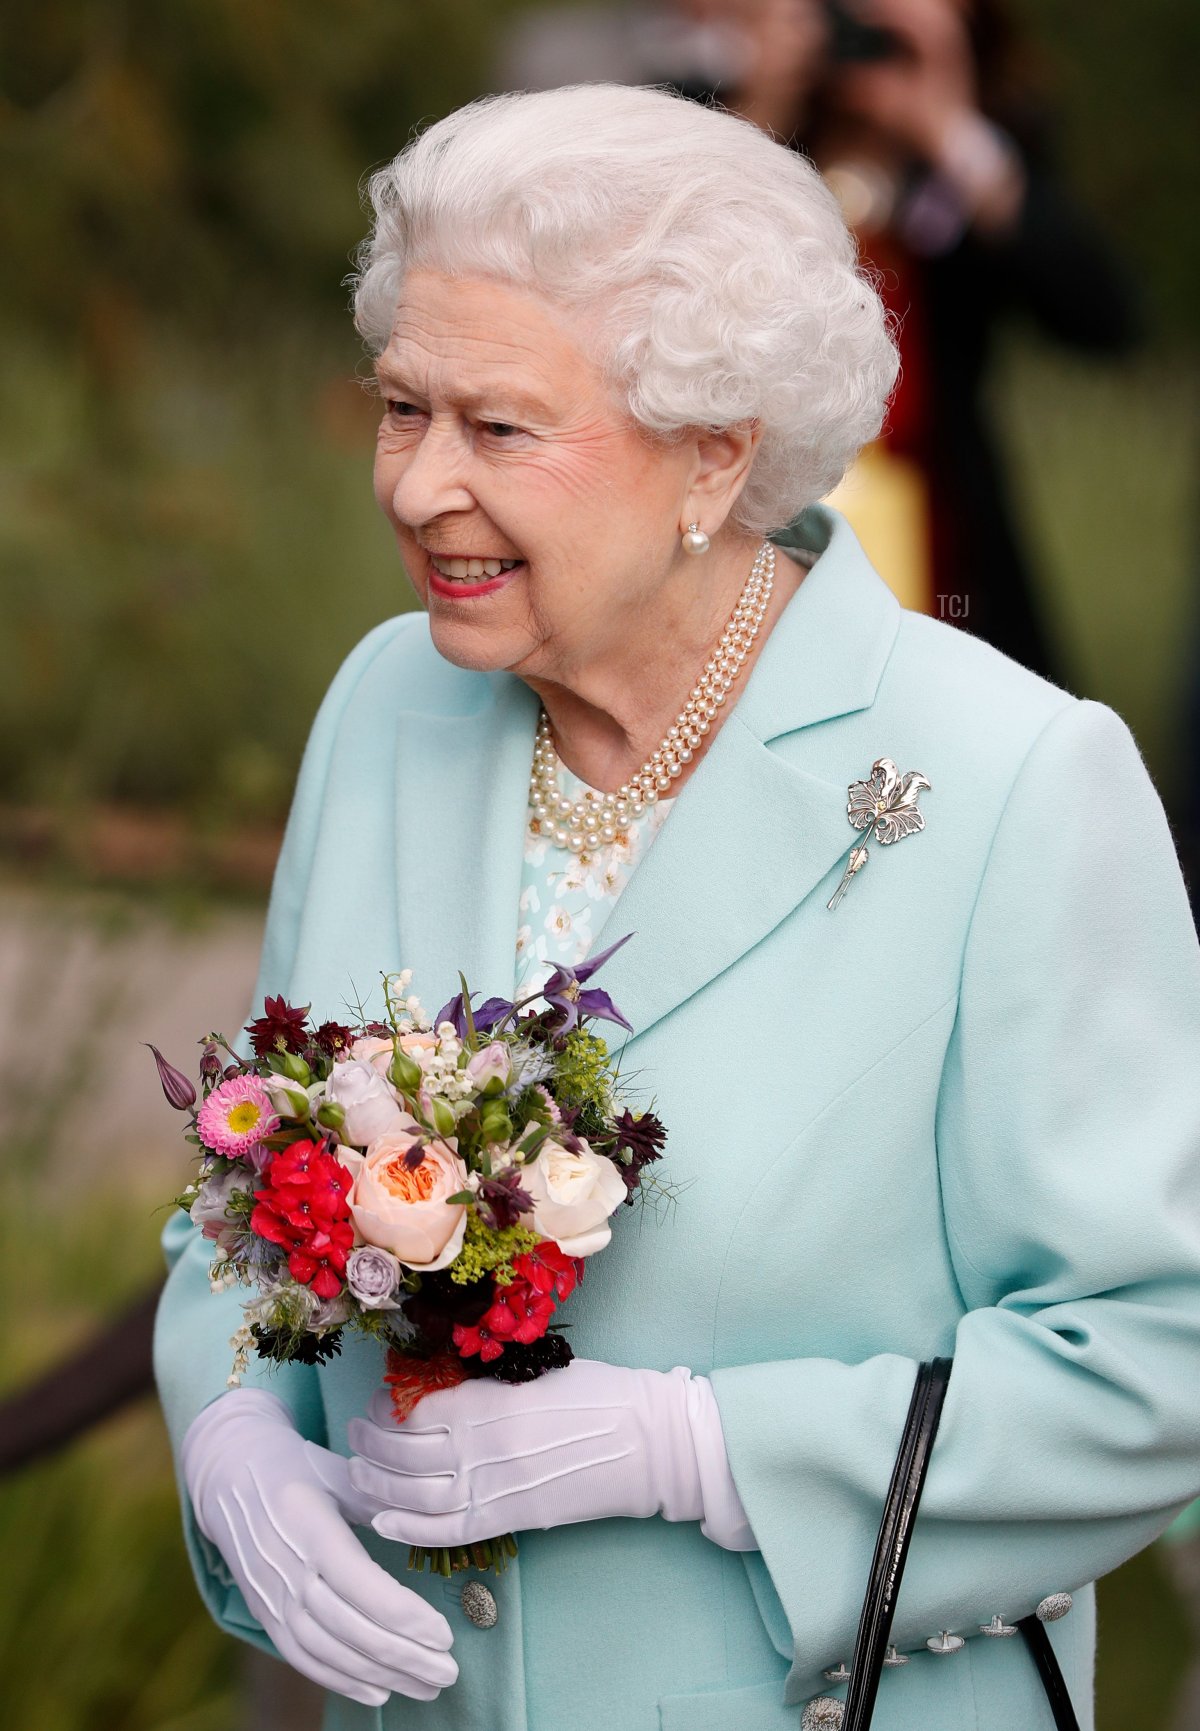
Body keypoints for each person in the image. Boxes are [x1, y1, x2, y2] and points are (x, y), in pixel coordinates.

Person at [154, 85, 1200, 1731]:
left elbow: (1158, 1361)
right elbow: (248, 1189)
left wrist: (701, 1453)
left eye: (499, 429)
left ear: (715, 448)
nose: (420, 486)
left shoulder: (1011, 781)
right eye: (400, 406)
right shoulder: (385, 708)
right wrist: (233, 1433)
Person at [500, 0, 1143, 678]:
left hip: (945, 520)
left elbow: (1100, 319)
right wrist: (763, 105)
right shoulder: (719, 109)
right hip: (753, 505)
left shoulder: (976, 146)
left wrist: (947, 125)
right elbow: (642, 283)